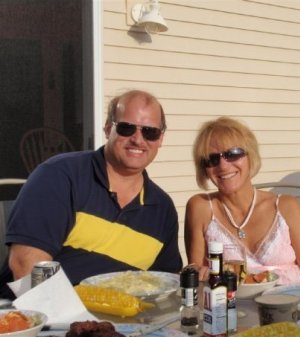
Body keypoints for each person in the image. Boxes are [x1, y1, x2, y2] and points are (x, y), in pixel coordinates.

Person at [1, 90, 182, 298]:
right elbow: (25, 265)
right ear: (107, 129)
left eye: (150, 132)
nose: (138, 140)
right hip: (34, 318)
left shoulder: (162, 209)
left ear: (160, 139)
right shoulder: (60, 176)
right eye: (126, 128)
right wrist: (72, 321)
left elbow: (165, 281)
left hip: (119, 324)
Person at [184, 117, 300, 284]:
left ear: (250, 156)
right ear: (204, 168)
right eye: (212, 159)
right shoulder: (201, 208)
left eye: (233, 154)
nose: (223, 166)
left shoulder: (286, 207)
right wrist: (196, 272)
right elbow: (198, 279)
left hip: (291, 305)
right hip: (228, 308)